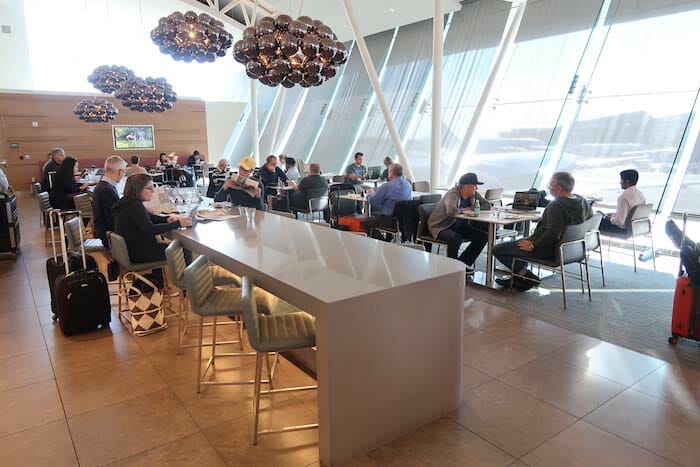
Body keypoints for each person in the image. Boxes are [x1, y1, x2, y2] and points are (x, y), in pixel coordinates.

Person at [493, 171, 592, 291]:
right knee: (520, 242)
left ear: (559, 188)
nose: (549, 188)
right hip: (571, 249)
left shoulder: (556, 205)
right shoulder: (582, 201)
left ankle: (528, 277)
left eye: (551, 185)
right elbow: (588, 222)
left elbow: (553, 232)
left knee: (498, 249)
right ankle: (519, 279)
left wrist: (533, 245)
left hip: (549, 248)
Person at [112, 174, 191, 288]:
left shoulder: (126, 202)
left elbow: (150, 218)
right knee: (184, 250)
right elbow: (150, 230)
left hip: (131, 250)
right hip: (139, 252)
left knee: (168, 245)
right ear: (137, 189)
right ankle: (186, 287)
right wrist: (178, 223)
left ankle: (159, 284)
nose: (153, 191)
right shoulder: (134, 206)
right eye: (149, 188)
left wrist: (167, 219)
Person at [427, 173, 491, 274]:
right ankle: (452, 269)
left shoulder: (473, 195)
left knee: (482, 236)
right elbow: (451, 211)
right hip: (441, 226)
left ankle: (462, 264)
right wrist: (464, 209)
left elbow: (487, 205)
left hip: (458, 226)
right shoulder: (453, 194)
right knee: (455, 238)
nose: (477, 188)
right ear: (466, 186)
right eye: (475, 185)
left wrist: (471, 208)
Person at [362, 163, 412, 240]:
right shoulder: (407, 184)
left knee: (366, 222)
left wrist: (369, 194)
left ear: (391, 172)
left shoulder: (387, 186)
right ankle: (388, 239)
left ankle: (382, 242)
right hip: (406, 220)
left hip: (391, 220)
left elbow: (373, 201)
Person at [92, 156, 127, 247]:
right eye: (124, 171)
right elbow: (113, 218)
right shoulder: (106, 190)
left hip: (106, 232)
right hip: (108, 236)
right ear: (119, 171)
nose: (124, 174)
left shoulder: (103, 186)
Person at [599, 169, 645, 234]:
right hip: (635, 228)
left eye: (621, 180)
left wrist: (608, 218)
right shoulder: (640, 194)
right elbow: (628, 214)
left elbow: (620, 222)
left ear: (627, 181)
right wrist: (612, 216)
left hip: (622, 230)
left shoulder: (624, 197)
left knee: (594, 223)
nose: (620, 182)